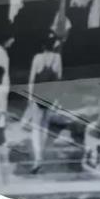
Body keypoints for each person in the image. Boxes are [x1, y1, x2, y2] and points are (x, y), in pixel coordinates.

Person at [26, 38, 63, 173]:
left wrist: (30, 96)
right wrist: (57, 100)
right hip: (50, 96)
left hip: (38, 94)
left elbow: (32, 79)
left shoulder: (37, 58)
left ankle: (38, 158)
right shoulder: (57, 58)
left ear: (42, 46)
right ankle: (40, 154)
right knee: (45, 126)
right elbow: (59, 78)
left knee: (36, 128)